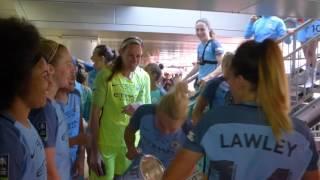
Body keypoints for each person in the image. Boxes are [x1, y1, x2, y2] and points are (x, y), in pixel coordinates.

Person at [163, 39, 320, 180]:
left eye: (229, 78)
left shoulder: (213, 122)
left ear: (240, 80)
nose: (228, 84)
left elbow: (172, 177)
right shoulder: (302, 134)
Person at [89, 36, 151, 180]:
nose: (135, 60)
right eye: (130, 55)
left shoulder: (144, 77)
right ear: (121, 52)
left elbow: (147, 111)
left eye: (138, 56)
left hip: (130, 144)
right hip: (106, 144)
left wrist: (138, 110)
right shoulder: (105, 75)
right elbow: (94, 114)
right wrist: (94, 151)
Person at [0, 17, 48, 179]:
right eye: (44, 75)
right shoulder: (7, 141)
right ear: (19, 76)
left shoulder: (24, 122)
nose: (48, 82)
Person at [124, 81, 190, 171]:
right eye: (161, 125)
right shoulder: (144, 112)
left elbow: (188, 161)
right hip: (139, 167)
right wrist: (130, 147)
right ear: (157, 110)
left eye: (172, 130)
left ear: (183, 121)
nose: (165, 132)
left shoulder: (188, 131)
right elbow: (130, 130)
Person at [56, 65, 87, 179]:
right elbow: (48, 146)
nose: (74, 72)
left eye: (73, 67)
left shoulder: (76, 95)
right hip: (58, 166)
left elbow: (80, 128)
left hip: (75, 163)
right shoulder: (47, 106)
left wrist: (81, 157)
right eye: (67, 65)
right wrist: (76, 140)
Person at [192, 52, 234, 125]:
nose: (229, 68)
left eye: (231, 65)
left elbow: (197, 110)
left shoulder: (241, 84)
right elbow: (198, 110)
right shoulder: (214, 84)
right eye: (226, 64)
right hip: (216, 124)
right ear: (222, 66)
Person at [183, 18, 224, 89]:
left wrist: (208, 77)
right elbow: (198, 66)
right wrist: (185, 79)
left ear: (209, 30)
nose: (199, 32)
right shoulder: (199, 46)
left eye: (202, 29)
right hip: (200, 84)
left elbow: (222, 66)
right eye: (197, 30)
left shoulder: (215, 44)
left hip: (211, 84)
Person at [296, 19, 320, 87]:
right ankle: (308, 79)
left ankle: (311, 79)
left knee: (311, 52)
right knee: (306, 54)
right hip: (301, 23)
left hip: (314, 21)